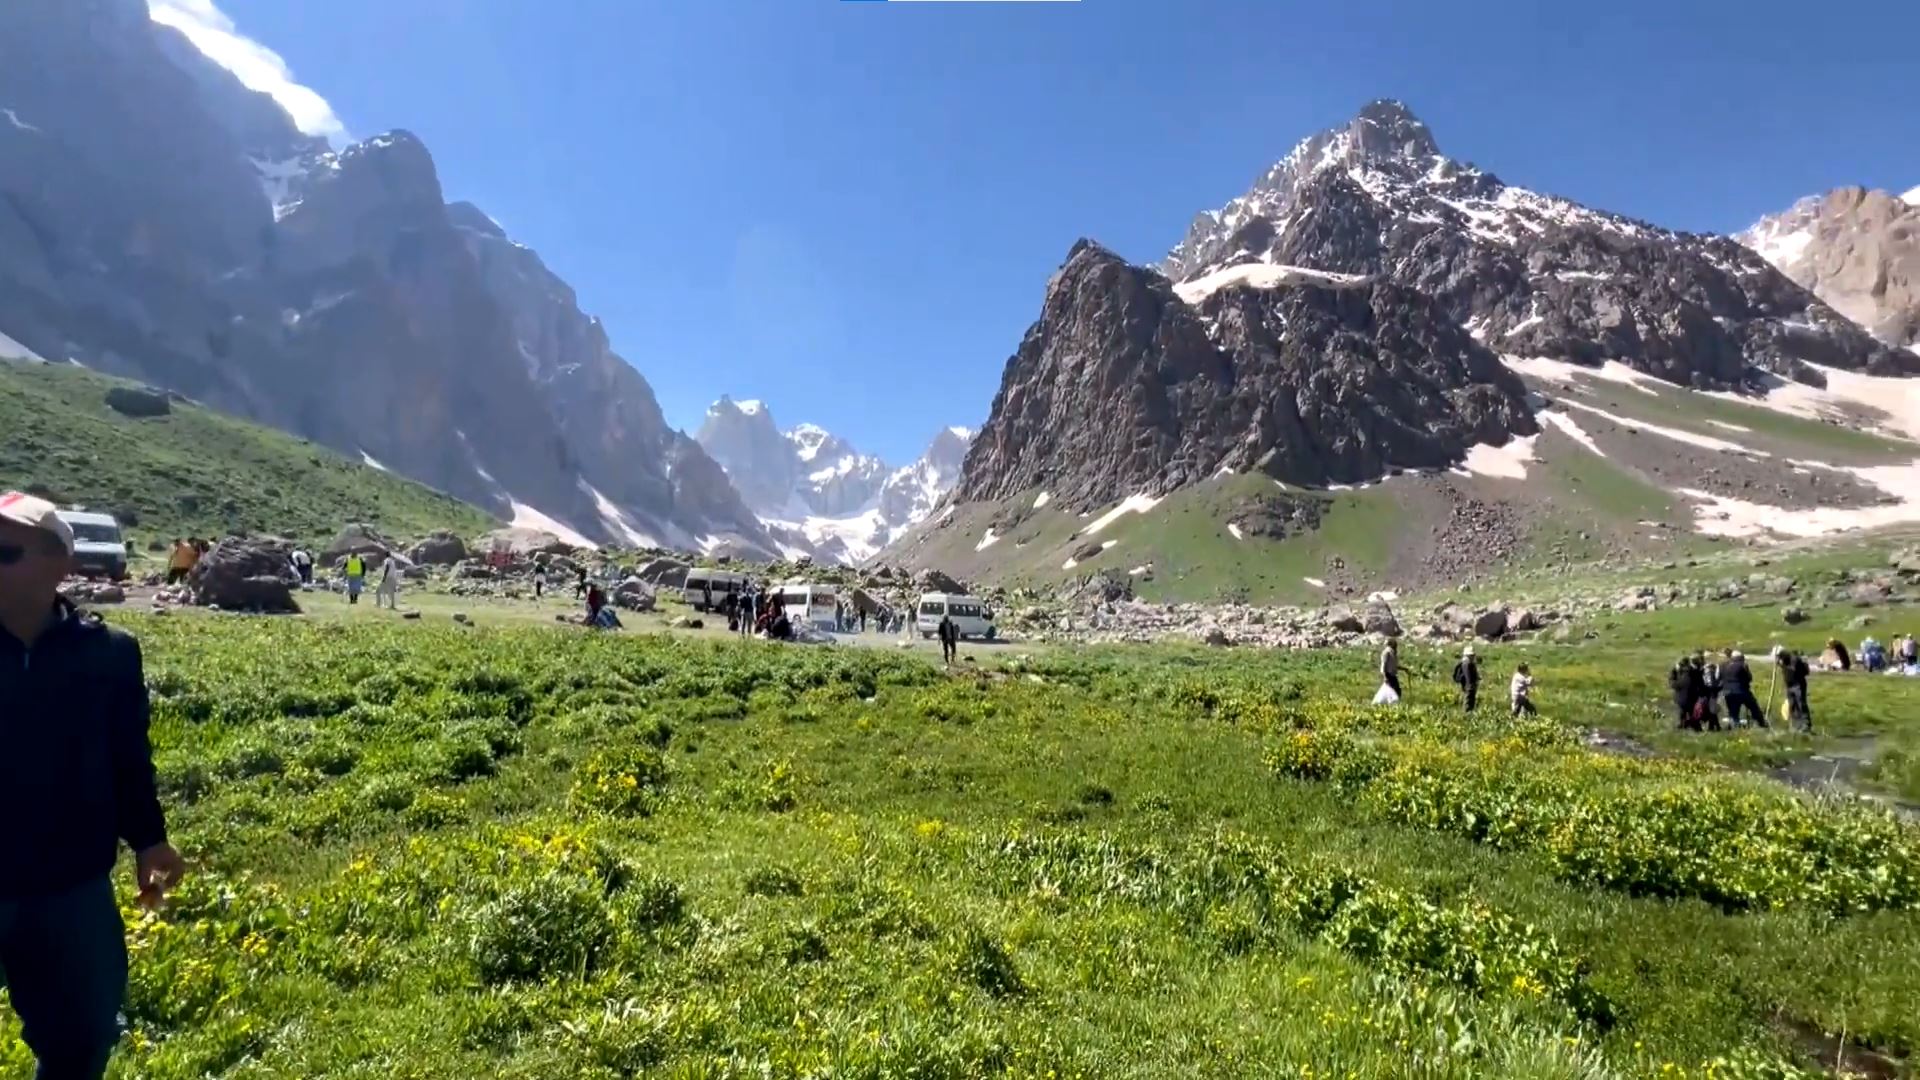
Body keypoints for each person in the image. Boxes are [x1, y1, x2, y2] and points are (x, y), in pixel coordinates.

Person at [0, 491, 184, 1079]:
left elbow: (128, 756)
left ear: (59, 564)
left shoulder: (108, 654)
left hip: (70, 886)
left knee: (80, 1041)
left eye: (4, 552)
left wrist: (149, 839)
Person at [1721, 649, 1764, 727]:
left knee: (1733, 712)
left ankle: (1734, 726)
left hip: (1727, 691)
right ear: (1740, 658)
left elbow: (1720, 677)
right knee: (1754, 707)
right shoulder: (1743, 665)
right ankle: (1761, 723)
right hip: (1741, 690)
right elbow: (1749, 678)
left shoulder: (1723, 665)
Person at [1778, 648, 1813, 732]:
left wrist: (1784, 665)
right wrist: (1779, 663)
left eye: (1781, 659)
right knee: (1792, 705)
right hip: (1789, 686)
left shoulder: (1795, 660)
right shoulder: (1783, 660)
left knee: (1801, 704)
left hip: (1798, 685)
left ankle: (1806, 724)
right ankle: (1795, 725)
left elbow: (1798, 671)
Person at [1669, 653, 1705, 731]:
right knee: (1692, 713)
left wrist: (1673, 672)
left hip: (1682, 698)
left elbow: (1674, 685)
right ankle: (1695, 726)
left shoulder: (1683, 675)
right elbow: (1701, 683)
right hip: (1693, 697)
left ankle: (1683, 724)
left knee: (1683, 712)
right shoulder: (1696, 673)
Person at [1451, 645, 1480, 713]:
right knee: (1468, 701)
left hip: (1468, 686)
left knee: (1469, 700)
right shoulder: (1467, 664)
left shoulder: (1468, 663)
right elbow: (1468, 677)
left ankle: (1468, 712)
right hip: (1469, 686)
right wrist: (1471, 686)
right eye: (1471, 655)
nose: (1473, 657)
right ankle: (1466, 713)